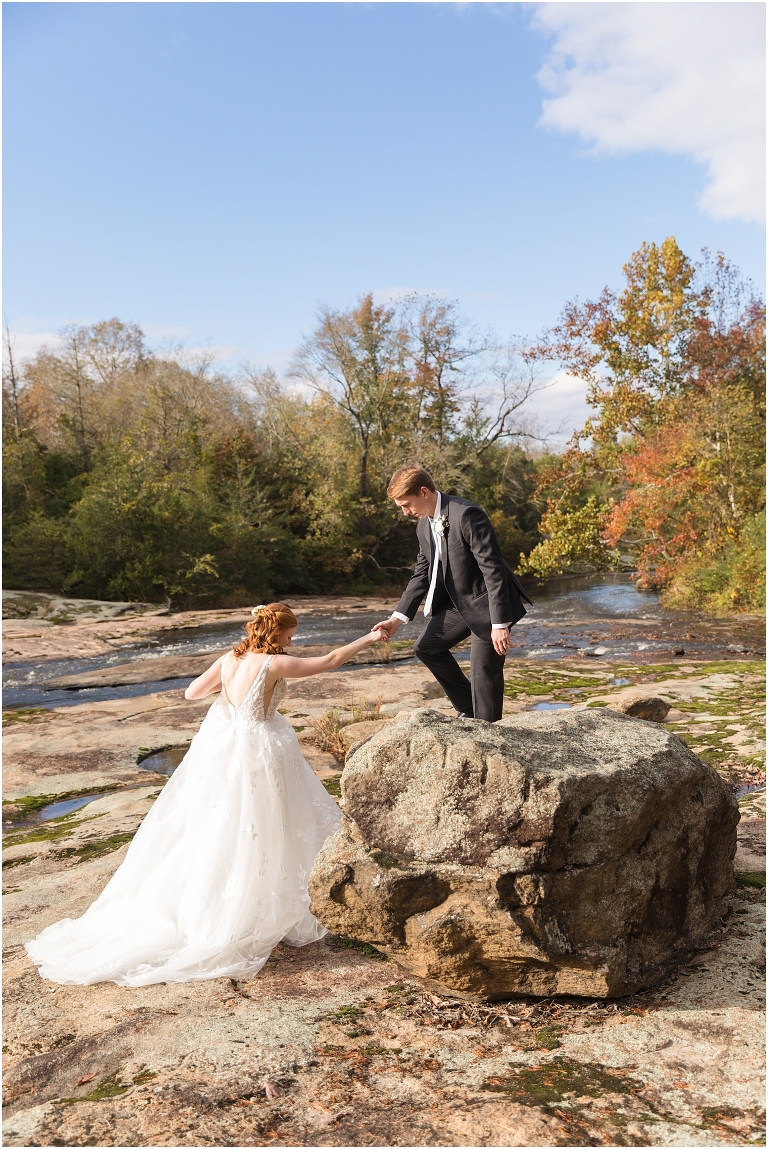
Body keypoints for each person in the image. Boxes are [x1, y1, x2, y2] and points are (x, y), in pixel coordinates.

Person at [25, 604, 384, 987]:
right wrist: (371, 637)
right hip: (261, 748)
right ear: (277, 633)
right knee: (266, 821)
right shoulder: (273, 664)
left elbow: (192, 692)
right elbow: (330, 660)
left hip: (230, 748)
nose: (293, 640)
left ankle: (229, 898)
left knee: (229, 822)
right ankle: (257, 906)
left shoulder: (232, 657)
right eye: (291, 635)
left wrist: (230, 694)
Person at [372, 465, 532, 722]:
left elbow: (493, 570)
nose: (405, 512)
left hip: (487, 603)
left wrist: (500, 624)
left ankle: (488, 732)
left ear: (424, 492)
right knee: (427, 648)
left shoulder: (466, 514)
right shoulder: (423, 526)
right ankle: (470, 707)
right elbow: (421, 574)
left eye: (406, 504)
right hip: (459, 602)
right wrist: (395, 619)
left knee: (483, 673)